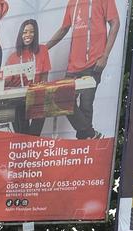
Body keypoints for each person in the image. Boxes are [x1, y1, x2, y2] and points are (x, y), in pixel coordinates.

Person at [47, 0, 120, 140]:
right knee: (62, 99)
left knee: (86, 105)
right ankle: (91, 135)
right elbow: (63, 28)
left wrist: (105, 56)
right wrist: (44, 48)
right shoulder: (72, 2)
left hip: (94, 63)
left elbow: (115, 23)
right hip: (73, 66)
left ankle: (85, 146)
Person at [5, 19, 51, 135]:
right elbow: (6, 82)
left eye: (31, 32)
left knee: (43, 104)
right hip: (19, 99)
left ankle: (32, 141)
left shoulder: (42, 50)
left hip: (37, 97)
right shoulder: (13, 57)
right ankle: (25, 143)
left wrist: (41, 87)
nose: (28, 35)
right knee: (22, 133)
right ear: (21, 34)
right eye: (25, 32)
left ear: (36, 34)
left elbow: (45, 78)